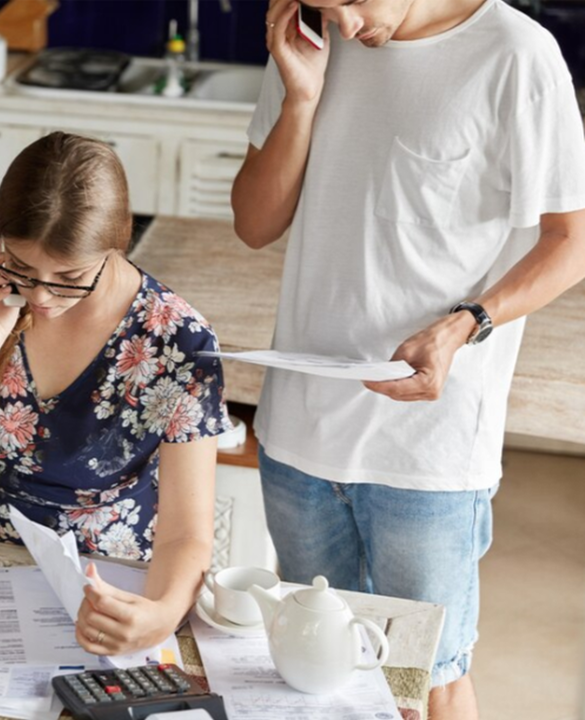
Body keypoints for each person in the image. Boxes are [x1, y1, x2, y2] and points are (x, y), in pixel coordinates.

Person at [231, 0, 585, 717]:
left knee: (426, 679)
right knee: (323, 669)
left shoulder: (516, 55)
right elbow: (254, 222)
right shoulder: (316, 41)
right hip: (301, 434)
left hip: (427, 452)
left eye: (354, 4)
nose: (349, 24)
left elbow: (571, 239)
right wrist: (301, 98)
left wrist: (466, 324)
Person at [0, 132, 231, 656]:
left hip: (99, 590)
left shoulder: (179, 342)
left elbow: (187, 533)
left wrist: (160, 615)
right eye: (22, 269)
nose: (41, 297)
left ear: (115, 246)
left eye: (69, 278)